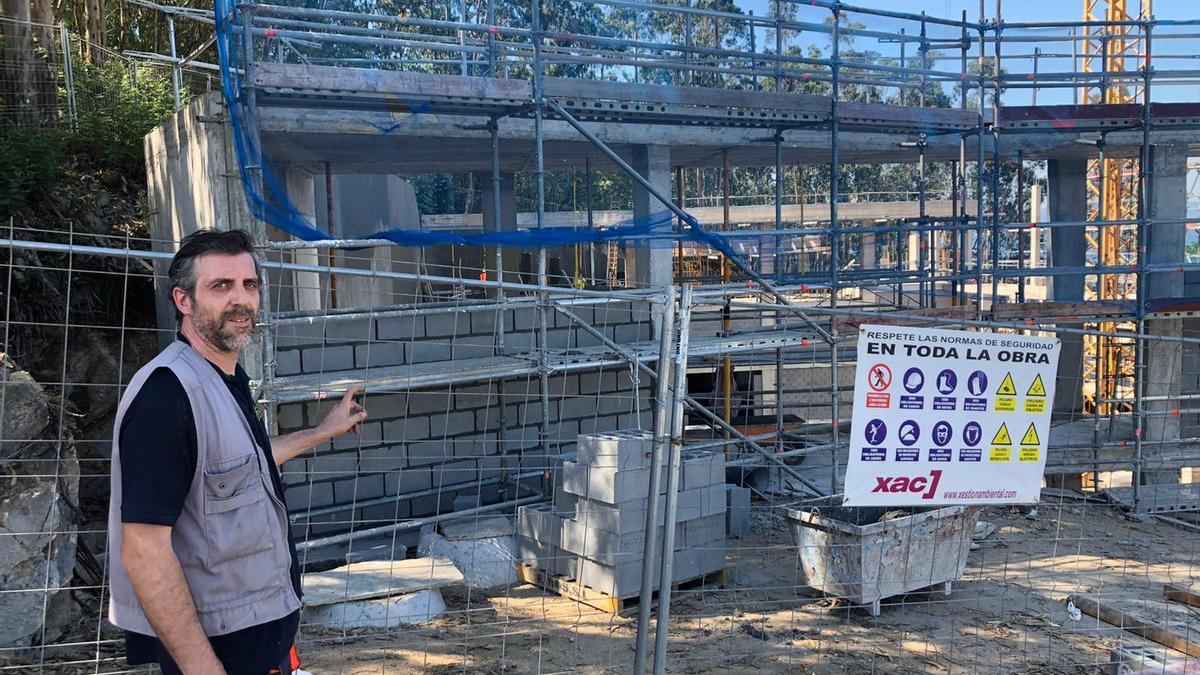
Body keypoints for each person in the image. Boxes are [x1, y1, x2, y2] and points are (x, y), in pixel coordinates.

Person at [107, 229, 367, 674]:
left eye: (249, 285)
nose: (241, 300)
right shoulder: (167, 398)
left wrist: (323, 431)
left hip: (262, 637)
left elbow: (238, 469)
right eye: (221, 286)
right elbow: (144, 552)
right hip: (219, 649)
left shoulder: (224, 377)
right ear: (183, 301)